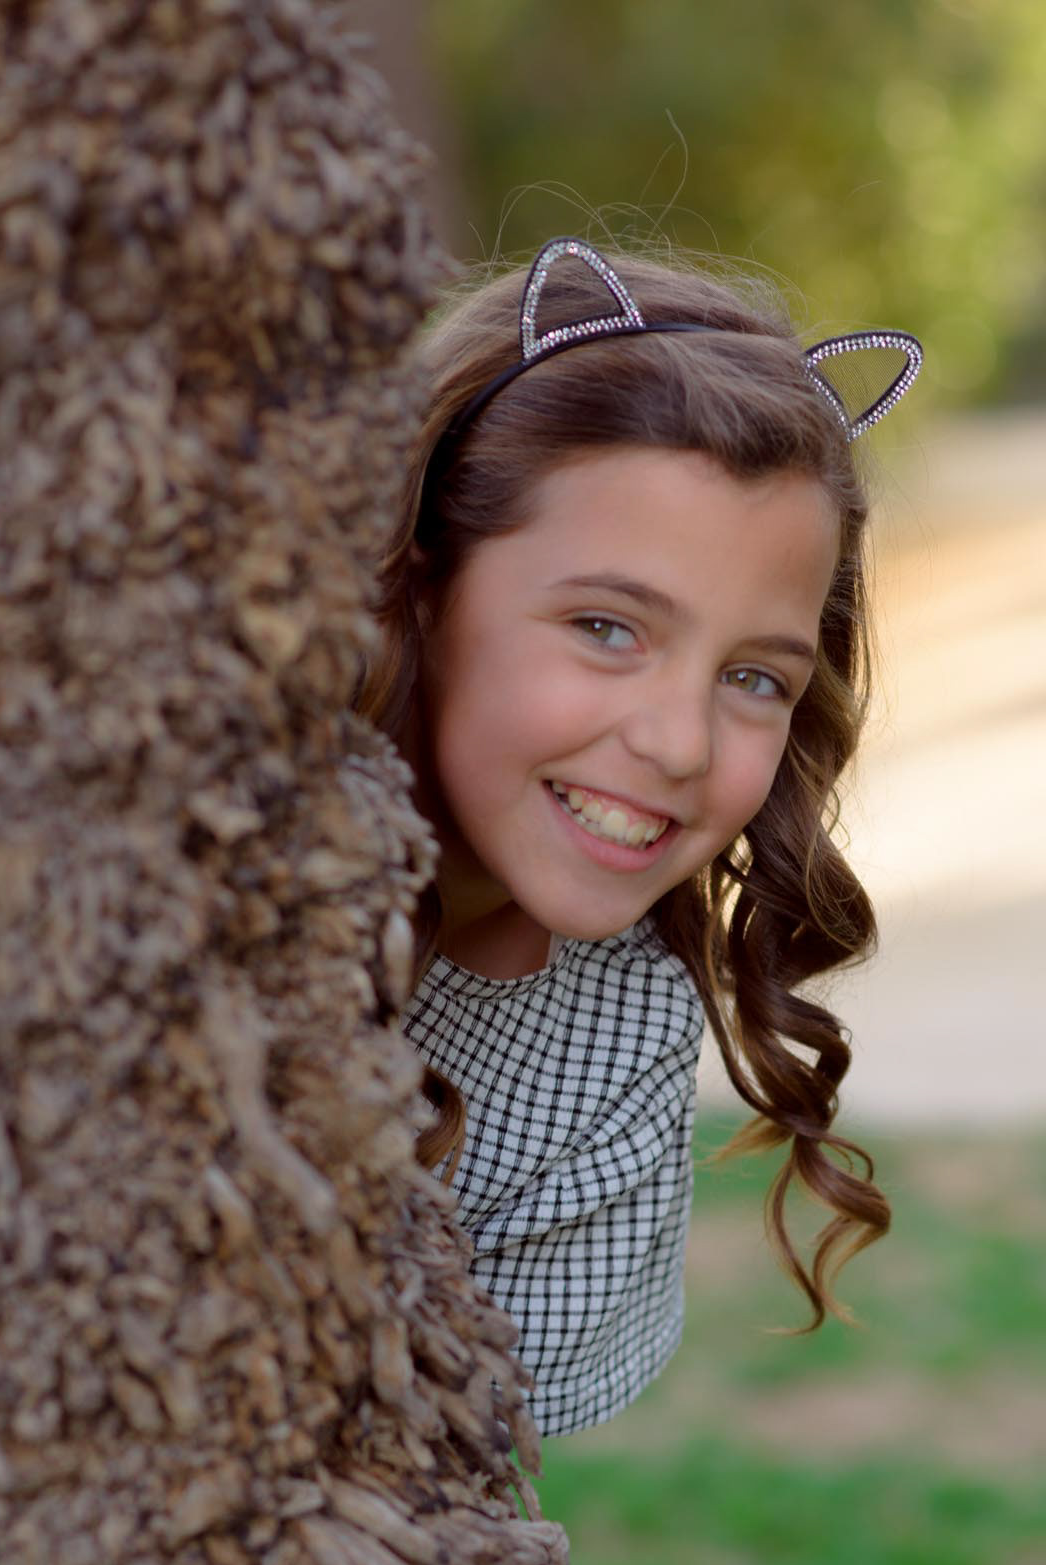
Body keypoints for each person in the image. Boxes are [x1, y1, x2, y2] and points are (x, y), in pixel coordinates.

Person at [356, 236, 923, 1440]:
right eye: (607, 627)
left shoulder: (607, 1040)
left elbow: (436, 1504)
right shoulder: (166, 887)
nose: (675, 741)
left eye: (754, 679)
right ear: (418, 592)